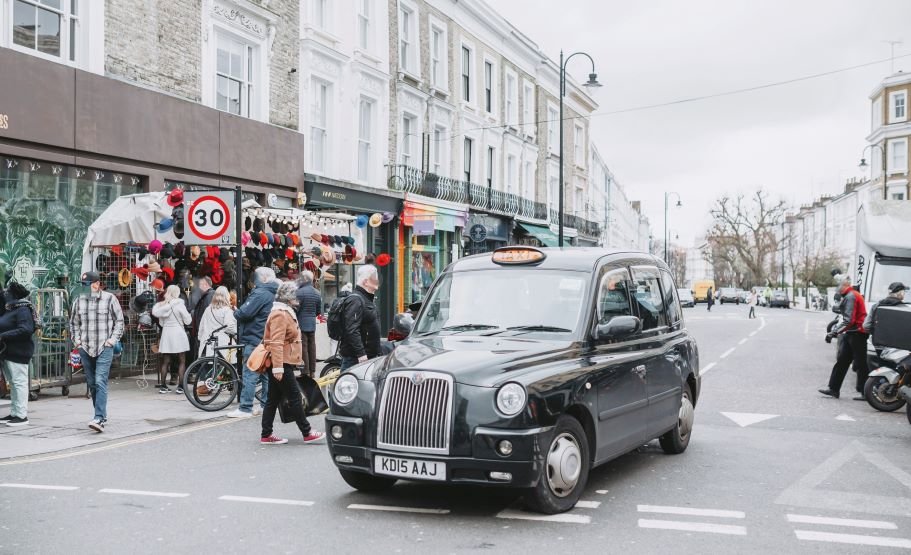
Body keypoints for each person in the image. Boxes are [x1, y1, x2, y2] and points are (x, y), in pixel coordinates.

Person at [259, 281, 326, 445]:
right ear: (288, 298)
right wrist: (278, 367)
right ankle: (307, 432)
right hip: (281, 362)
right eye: (295, 295)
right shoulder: (280, 314)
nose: (298, 298)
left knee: (273, 399)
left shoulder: (285, 312)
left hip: (282, 361)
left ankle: (266, 434)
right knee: (295, 397)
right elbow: (276, 342)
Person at [70, 271, 125, 432]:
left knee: (100, 380)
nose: (85, 288)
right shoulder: (78, 301)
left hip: (104, 347)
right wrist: (77, 341)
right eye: (83, 285)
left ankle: (99, 418)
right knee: (92, 383)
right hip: (85, 347)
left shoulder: (110, 299)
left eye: (87, 285)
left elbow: (119, 321)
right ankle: (101, 414)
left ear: (97, 284)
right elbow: (73, 323)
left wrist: (112, 341)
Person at [228, 267, 278, 418]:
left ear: (263, 278)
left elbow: (244, 313)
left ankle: (245, 408)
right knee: (266, 375)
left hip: (254, 337)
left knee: (250, 373)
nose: (254, 280)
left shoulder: (260, 293)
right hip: (265, 337)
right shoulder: (273, 292)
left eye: (256, 277)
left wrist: (236, 311)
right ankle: (265, 406)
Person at [819, 279, 870, 400]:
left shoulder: (851, 296)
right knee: (842, 361)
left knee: (860, 363)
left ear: (845, 286)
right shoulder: (852, 295)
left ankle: (865, 392)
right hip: (853, 333)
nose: (838, 289)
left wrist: (833, 332)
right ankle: (834, 389)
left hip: (857, 333)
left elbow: (849, 320)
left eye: (839, 286)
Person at [0, 282, 36, 426]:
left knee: (19, 383)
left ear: (14, 294)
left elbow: (26, 329)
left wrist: (3, 336)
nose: (5, 293)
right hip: (9, 352)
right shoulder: (12, 308)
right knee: (14, 383)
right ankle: (15, 413)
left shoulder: (23, 309)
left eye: (8, 292)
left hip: (19, 352)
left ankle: (21, 416)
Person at [339, 265, 381, 371]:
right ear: (366, 282)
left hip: (367, 358)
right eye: (374, 278)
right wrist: (361, 354)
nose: (377, 281)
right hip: (357, 360)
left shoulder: (367, 299)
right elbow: (352, 329)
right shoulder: (356, 300)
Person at [152, 285, 192, 394]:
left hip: (166, 334)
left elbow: (161, 323)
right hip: (179, 333)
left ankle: (163, 386)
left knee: (166, 361)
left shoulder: (162, 306)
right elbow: (188, 321)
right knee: (182, 360)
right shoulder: (180, 305)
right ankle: (181, 387)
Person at [197, 286, 237, 358]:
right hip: (222, 345)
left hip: (207, 344)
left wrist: (200, 338)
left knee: (208, 364)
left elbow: (201, 327)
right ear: (226, 296)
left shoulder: (208, 309)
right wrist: (236, 335)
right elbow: (230, 328)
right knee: (225, 364)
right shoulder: (227, 310)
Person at [294, 270, 321, 378]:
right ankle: (312, 371)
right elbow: (318, 311)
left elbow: (295, 309)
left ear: (304, 279)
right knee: (312, 346)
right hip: (312, 323)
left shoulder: (299, 292)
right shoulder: (317, 292)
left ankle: (305, 371)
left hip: (301, 322)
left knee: (303, 347)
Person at [189, 276, 214, 364]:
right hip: (204, 332)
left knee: (205, 360)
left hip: (206, 333)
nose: (198, 288)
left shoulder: (209, 296)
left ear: (205, 285)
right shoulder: (207, 296)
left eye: (199, 285)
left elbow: (207, 316)